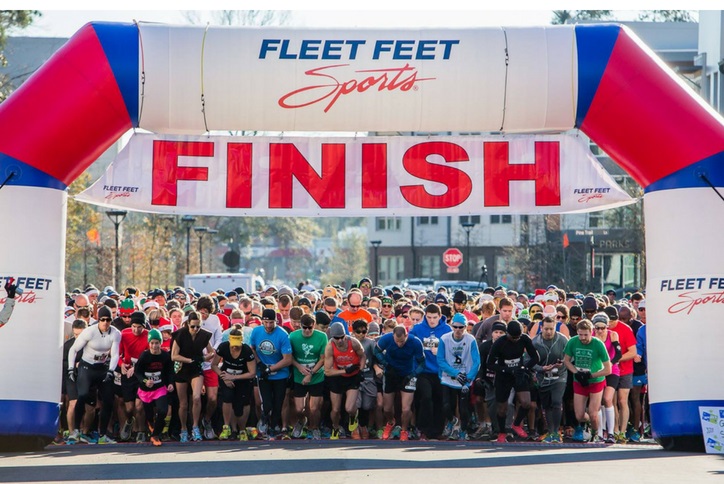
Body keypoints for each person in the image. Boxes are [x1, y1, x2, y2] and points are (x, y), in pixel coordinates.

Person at [67, 306, 122, 445]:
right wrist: (71, 368)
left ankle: (103, 434)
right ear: (98, 320)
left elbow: (115, 354)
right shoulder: (89, 332)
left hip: (102, 367)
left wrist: (111, 371)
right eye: (102, 319)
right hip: (87, 366)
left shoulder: (115, 333)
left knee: (108, 400)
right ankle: (76, 431)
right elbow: (73, 349)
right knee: (83, 395)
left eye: (108, 320)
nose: (105, 322)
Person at [487, 320, 540, 443]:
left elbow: (535, 357)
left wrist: (525, 368)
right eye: (513, 337)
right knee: (502, 408)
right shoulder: (499, 343)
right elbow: (489, 364)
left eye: (518, 337)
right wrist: (506, 370)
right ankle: (502, 431)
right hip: (503, 375)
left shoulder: (524, 339)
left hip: (519, 373)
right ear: (507, 334)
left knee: (526, 402)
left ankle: (516, 424)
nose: (516, 340)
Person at [563, 318, 612, 443]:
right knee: (579, 415)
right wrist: (576, 373)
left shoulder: (598, 344)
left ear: (592, 332)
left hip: (596, 380)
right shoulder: (573, 342)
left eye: (586, 334)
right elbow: (566, 360)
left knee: (593, 412)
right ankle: (590, 424)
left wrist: (591, 375)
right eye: (580, 334)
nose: (583, 338)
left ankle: (596, 434)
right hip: (579, 380)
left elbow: (608, 369)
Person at [374, 326, 425, 442]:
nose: (399, 344)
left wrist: (413, 374)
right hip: (391, 373)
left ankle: (404, 429)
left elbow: (422, 362)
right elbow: (376, 351)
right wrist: (385, 363)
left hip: (407, 374)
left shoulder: (415, 342)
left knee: (406, 409)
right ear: (393, 337)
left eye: (402, 341)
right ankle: (391, 422)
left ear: (406, 336)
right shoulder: (386, 339)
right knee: (386, 408)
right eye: (397, 341)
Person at [408, 303, 451, 440]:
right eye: (429, 317)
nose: (432, 320)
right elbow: (410, 347)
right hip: (423, 370)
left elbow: (454, 350)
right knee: (426, 397)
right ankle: (423, 429)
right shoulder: (417, 329)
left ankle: (437, 431)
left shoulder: (447, 330)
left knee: (440, 401)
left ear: (440, 316)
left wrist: (441, 352)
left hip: (440, 371)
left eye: (434, 317)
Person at [171, 310, 215, 442]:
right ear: (187, 324)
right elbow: (174, 355)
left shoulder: (203, 335)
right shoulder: (180, 334)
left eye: (198, 326)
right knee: (183, 403)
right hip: (182, 369)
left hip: (196, 368)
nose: (195, 329)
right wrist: (189, 360)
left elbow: (212, 352)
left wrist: (205, 357)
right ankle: (184, 428)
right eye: (193, 326)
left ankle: (195, 426)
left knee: (196, 398)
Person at [249, 308, 292, 438]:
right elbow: (252, 348)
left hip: (280, 374)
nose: (268, 326)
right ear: (262, 321)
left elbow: (288, 359)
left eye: (271, 323)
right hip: (263, 373)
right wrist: (259, 363)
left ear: (276, 322)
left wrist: (270, 369)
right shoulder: (256, 331)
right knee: (267, 404)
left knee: (278, 404)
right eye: (266, 322)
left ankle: (273, 427)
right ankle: (264, 419)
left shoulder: (283, 334)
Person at [437, 314, 480, 441]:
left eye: (461, 327)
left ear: (466, 327)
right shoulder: (444, 339)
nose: (458, 330)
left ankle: (463, 430)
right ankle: (452, 421)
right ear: (452, 326)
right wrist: (455, 373)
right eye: (455, 327)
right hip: (448, 377)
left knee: (463, 408)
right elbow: (440, 359)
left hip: (464, 378)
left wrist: (469, 378)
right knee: (446, 406)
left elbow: (476, 361)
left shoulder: (470, 340)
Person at [212, 328, 257, 441]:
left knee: (243, 403)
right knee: (227, 398)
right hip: (226, 376)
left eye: (237, 345)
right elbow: (214, 365)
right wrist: (224, 377)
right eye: (233, 345)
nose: (235, 347)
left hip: (243, 378)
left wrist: (234, 377)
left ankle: (242, 429)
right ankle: (228, 427)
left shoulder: (246, 350)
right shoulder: (223, 347)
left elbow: (252, 373)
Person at [324, 321, 366, 439]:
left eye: (342, 337)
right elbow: (327, 371)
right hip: (338, 376)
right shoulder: (329, 347)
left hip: (353, 377)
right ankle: (336, 427)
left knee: (348, 407)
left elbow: (362, 355)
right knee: (335, 409)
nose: (340, 341)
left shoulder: (353, 342)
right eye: (337, 338)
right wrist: (344, 371)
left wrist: (361, 370)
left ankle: (353, 416)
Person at [288, 313, 327, 440]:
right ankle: (301, 421)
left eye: (310, 328)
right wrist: (299, 367)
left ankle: (314, 427)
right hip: (299, 375)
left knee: (314, 408)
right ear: (300, 325)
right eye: (304, 327)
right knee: (299, 408)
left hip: (316, 375)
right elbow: (289, 356)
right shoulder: (293, 336)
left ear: (314, 326)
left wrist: (310, 373)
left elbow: (323, 359)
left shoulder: (322, 336)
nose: (307, 330)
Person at [134, 329, 175, 446]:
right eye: (152, 343)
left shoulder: (165, 356)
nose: (154, 346)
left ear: (160, 343)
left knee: (163, 410)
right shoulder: (144, 355)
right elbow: (138, 372)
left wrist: (170, 383)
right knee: (149, 414)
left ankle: (155, 435)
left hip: (159, 387)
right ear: (149, 343)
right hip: (146, 389)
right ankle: (151, 425)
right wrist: (145, 381)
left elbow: (169, 372)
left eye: (157, 343)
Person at [531, 316, 569, 443]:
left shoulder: (563, 339)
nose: (548, 332)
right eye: (546, 329)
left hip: (559, 376)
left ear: (555, 328)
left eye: (551, 329)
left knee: (557, 401)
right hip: (543, 377)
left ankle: (556, 432)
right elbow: (528, 361)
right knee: (546, 405)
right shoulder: (535, 342)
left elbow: (571, 357)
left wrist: (563, 363)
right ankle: (551, 431)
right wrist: (541, 368)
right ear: (541, 328)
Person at [118, 310, 149, 442]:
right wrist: (121, 365)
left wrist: (136, 368)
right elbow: (117, 354)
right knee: (129, 407)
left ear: (144, 326)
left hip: (141, 373)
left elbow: (149, 356)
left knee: (139, 405)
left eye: (139, 327)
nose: (136, 330)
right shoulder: (124, 334)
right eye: (134, 327)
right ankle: (130, 421)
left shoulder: (148, 335)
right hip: (127, 372)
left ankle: (141, 431)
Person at [590, 313, 622, 443]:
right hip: (598, 371)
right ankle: (599, 432)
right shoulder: (591, 336)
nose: (600, 331)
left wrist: (609, 364)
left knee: (608, 399)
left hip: (612, 369)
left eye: (603, 328)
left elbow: (618, 353)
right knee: (597, 403)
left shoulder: (612, 335)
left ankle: (611, 432)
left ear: (607, 326)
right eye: (597, 328)